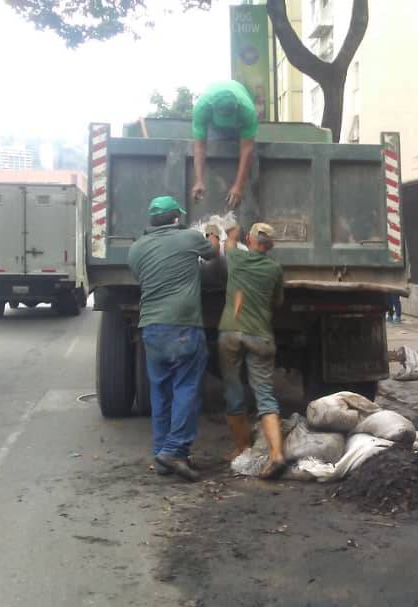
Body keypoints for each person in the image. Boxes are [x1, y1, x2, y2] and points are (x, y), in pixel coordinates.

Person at [128, 196, 217, 482]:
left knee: (161, 391)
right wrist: (214, 233)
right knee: (186, 390)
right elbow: (213, 253)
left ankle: (161, 454)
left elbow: (142, 275)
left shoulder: (137, 248)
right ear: (176, 218)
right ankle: (175, 450)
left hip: (152, 328)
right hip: (183, 326)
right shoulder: (189, 238)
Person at [218, 222, 286, 479]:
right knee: (265, 395)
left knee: (233, 389)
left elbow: (229, 242)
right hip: (260, 336)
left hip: (230, 333)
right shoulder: (274, 269)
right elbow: (278, 301)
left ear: (250, 239)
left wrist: (232, 231)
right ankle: (277, 453)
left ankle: (242, 447)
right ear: (271, 246)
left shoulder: (236, 258)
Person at [190, 80, 260, 216]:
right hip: (213, 128)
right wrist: (198, 180)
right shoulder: (202, 107)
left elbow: (247, 149)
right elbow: (199, 146)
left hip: (239, 125)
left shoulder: (247, 110)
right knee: (216, 142)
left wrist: (239, 186)